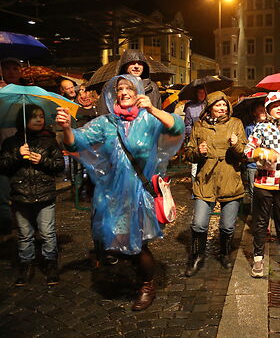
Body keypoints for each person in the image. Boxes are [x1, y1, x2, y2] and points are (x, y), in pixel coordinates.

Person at [55, 74, 184, 311]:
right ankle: (134, 274)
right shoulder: (106, 123)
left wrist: (153, 109)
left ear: (137, 93)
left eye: (129, 88)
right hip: (113, 194)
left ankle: (147, 285)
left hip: (140, 192)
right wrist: (66, 128)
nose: (123, 92)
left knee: (140, 244)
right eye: (119, 89)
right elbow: (76, 143)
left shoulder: (149, 120)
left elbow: (177, 127)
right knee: (118, 240)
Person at [183, 91, 247, 275]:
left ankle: (225, 254)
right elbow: (189, 153)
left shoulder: (236, 124)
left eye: (224, 105)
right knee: (199, 224)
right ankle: (197, 256)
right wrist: (198, 152)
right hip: (206, 180)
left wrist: (236, 144)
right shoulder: (199, 126)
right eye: (218, 105)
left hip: (230, 178)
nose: (222, 108)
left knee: (227, 225)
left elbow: (243, 154)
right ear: (209, 107)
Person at [0, 105, 64, 286]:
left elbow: (59, 165)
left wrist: (42, 160)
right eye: (34, 117)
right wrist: (18, 156)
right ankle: (26, 264)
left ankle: (50, 263)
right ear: (23, 119)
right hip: (21, 196)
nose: (39, 120)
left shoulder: (49, 141)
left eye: (41, 116)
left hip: (45, 195)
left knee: (47, 232)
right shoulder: (11, 143)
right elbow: (3, 166)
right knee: (24, 233)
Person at [244, 92, 280, 277]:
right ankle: (258, 258)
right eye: (275, 105)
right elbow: (247, 151)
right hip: (264, 184)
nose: (279, 108)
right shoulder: (261, 127)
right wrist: (263, 153)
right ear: (268, 108)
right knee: (261, 223)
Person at [97, 49, 161, 114]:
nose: (136, 66)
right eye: (132, 63)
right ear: (125, 65)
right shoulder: (110, 86)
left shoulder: (152, 87)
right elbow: (103, 113)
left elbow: (158, 113)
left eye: (140, 63)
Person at [0, 58, 23, 239]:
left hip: (20, 149)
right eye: (6, 68)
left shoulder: (26, 94)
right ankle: (7, 232)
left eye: (15, 68)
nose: (10, 72)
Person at [242, 101, 267, 212]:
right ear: (254, 112)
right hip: (253, 164)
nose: (263, 111)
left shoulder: (270, 127)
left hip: (266, 163)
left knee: (265, 192)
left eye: (264, 109)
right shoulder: (249, 128)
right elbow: (246, 147)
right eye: (259, 109)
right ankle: (255, 216)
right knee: (254, 191)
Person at [184, 87, 207, 180]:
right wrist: (192, 135)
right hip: (196, 138)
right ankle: (194, 185)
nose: (201, 95)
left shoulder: (209, 106)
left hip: (209, 137)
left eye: (203, 92)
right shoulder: (190, 108)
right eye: (199, 92)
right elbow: (187, 125)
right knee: (195, 164)